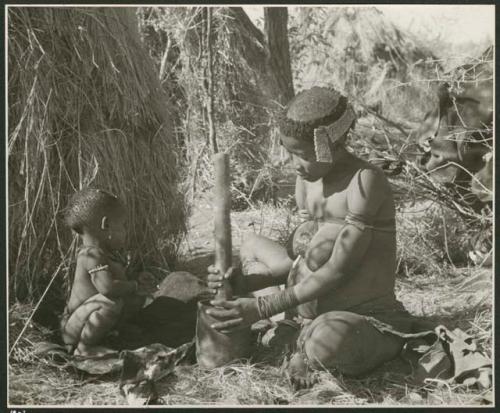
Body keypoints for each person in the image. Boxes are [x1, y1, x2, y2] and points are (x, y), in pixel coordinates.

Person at [206, 87, 415, 388]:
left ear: (327, 145)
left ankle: (301, 342)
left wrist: (262, 308)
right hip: (303, 311)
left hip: (362, 315)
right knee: (251, 244)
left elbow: (336, 271)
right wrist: (242, 283)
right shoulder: (307, 182)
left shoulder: (365, 182)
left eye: (301, 155)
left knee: (326, 343)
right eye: (288, 152)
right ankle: (294, 329)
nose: (293, 163)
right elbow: (300, 260)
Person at [60, 188, 158, 356]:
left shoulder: (106, 254)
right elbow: (107, 288)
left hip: (87, 319)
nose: (126, 231)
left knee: (134, 298)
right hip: (73, 327)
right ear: (106, 225)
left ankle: (111, 333)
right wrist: (135, 285)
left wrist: (137, 280)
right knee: (111, 302)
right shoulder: (90, 255)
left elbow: (119, 281)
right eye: (123, 225)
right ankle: (84, 348)